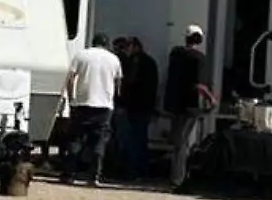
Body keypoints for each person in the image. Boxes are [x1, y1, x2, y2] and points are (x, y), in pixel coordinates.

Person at [62, 33, 122, 187]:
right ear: (106, 44)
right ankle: (94, 176)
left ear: (92, 42)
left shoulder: (81, 55)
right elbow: (118, 83)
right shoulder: (114, 59)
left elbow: (70, 78)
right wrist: (113, 99)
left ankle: (69, 174)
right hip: (104, 106)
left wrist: (71, 99)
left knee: (75, 140)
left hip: (82, 102)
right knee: (99, 142)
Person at [163, 26, 216, 189]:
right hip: (190, 106)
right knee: (182, 143)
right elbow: (199, 85)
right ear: (199, 39)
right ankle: (178, 179)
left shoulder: (175, 54)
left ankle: (176, 176)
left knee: (178, 141)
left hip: (174, 104)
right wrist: (212, 99)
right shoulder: (199, 58)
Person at [119, 36, 160, 179]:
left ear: (135, 46)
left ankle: (132, 171)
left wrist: (123, 101)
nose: (126, 49)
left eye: (128, 46)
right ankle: (142, 170)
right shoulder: (150, 61)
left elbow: (130, 82)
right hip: (146, 107)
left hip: (136, 107)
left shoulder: (136, 61)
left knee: (132, 140)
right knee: (141, 140)